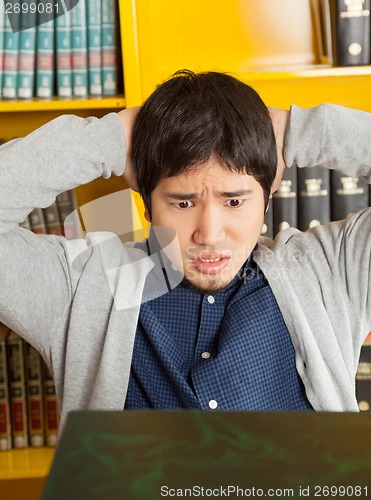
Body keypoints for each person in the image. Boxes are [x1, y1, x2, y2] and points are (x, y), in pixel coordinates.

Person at [0, 70, 370, 431]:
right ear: (146, 205)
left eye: (235, 201)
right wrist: (109, 140)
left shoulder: (332, 272)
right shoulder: (79, 290)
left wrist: (298, 132)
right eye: (183, 204)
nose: (209, 234)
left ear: (267, 200)